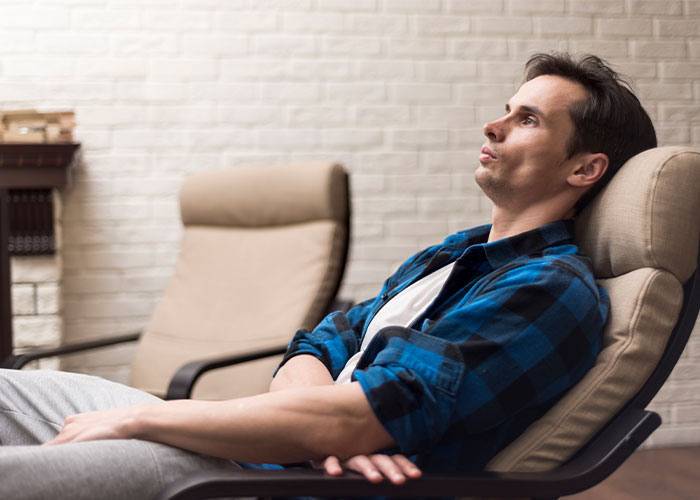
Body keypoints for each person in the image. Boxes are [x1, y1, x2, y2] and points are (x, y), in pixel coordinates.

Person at [0, 52, 656, 500]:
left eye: (528, 119)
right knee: (11, 391)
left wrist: (156, 423)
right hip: (260, 441)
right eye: (507, 109)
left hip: (246, 478)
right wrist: (328, 424)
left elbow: (356, 416)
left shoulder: (548, 293)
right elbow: (317, 347)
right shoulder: (452, 257)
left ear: (585, 170)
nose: (493, 123)